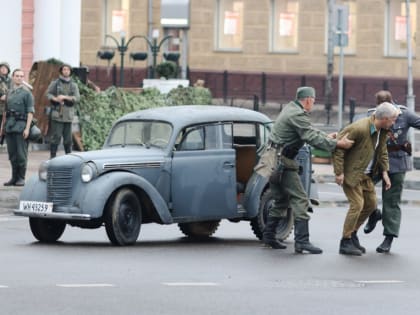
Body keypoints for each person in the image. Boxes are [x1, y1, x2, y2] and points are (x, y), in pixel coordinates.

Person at [261, 86, 354, 254]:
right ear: (309, 99)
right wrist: (338, 144)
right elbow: (309, 136)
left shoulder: (291, 108)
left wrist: (326, 137)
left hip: (272, 160)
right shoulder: (296, 114)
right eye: (314, 100)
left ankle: (268, 237)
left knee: (281, 199)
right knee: (301, 199)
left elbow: (307, 130)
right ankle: (302, 242)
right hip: (282, 161)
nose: (314, 103)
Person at [333, 102, 398, 256]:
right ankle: (345, 241)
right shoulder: (359, 128)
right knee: (357, 204)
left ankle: (353, 233)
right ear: (385, 118)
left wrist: (385, 173)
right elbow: (338, 148)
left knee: (371, 204)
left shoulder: (382, 131)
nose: (394, 122)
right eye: (393, 119)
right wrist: (338, 172)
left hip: (367, 175)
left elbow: (382, 151)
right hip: (352, 173)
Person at [363, 90, 420, 253]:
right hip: (376, 161)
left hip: (396, 161)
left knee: (391, 201)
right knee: (361, 188)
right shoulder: (371, 115)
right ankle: (374, 213)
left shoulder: (405, 114)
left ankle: (388, 237)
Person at [0, 69, 34, 186]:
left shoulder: (27, 93)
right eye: (17, 76)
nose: (19, 78)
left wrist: (27, 128)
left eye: (21, 76)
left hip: (21, 127)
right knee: (12, 154)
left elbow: (30, 112)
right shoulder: (9, 93)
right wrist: (2, 128)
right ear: (13, 77)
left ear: (23, 78)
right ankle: (14, 178)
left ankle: (21, 178)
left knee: (21, 154)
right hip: (9, 127)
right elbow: (5, 111)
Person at [46, 64, 80, 158]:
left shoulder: (73, 85)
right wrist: (55, 99)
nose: (66, 71)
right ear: (61, 71)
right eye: (64, 69)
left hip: (68, 115)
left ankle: (68, 157)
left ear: (70, 72)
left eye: (68, 70)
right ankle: (52, 157)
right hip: (57, 114)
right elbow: (48, 94)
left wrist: (65, 97)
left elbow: (77, 98)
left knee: (68, 139)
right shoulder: (55, 83)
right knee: (55, 138)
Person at [0, 62, 11, 128]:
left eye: (5, 68)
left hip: (8, 109)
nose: (4, 69)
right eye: (2, 68)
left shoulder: (11, 80)